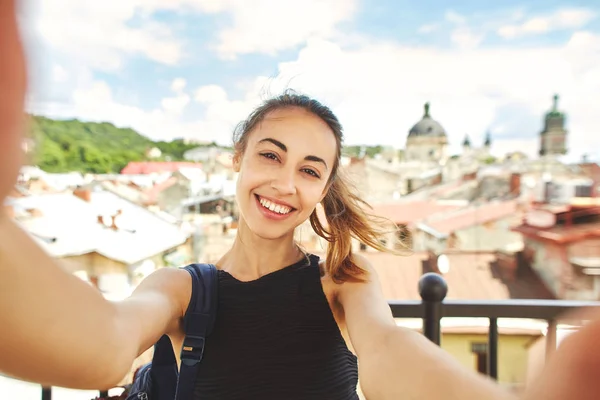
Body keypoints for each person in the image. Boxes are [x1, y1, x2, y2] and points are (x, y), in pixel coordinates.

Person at [1, 1, 600, 399]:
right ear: (237, 160)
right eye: (270, 155)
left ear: (323, 189)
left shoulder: (343, 280)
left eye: (310, 170)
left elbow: (389, 355)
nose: (286, 183)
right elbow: (104, 345)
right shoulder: (181, 287)